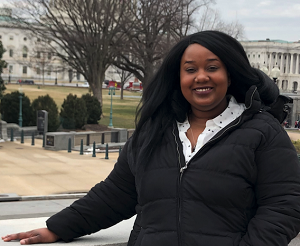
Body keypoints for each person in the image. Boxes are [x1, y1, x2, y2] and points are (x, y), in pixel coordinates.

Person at [3, 30, 300, 246]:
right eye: (190, 70)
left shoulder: (261, 132)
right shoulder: (154, 131)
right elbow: (115, 195)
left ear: (231, 75)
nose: (201, 77)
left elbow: (285, 205)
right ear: (178, 78)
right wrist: (57, 228)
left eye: (212, 68)